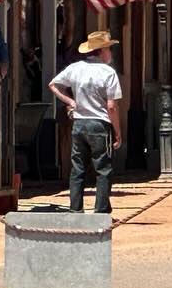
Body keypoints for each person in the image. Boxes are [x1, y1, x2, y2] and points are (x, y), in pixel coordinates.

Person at [48, 30, 122, 213]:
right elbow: (111, 106)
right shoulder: (108, 72)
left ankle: (76, 209)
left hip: (80, 123)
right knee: (103, 169)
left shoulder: (76, 68)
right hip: (99, 124)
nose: (110, 53)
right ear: (101, 51)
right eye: (108, 49)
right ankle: (101, 210)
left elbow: (53, 85)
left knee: (78, 168)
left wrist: (70, 101)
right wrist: (118, 131)